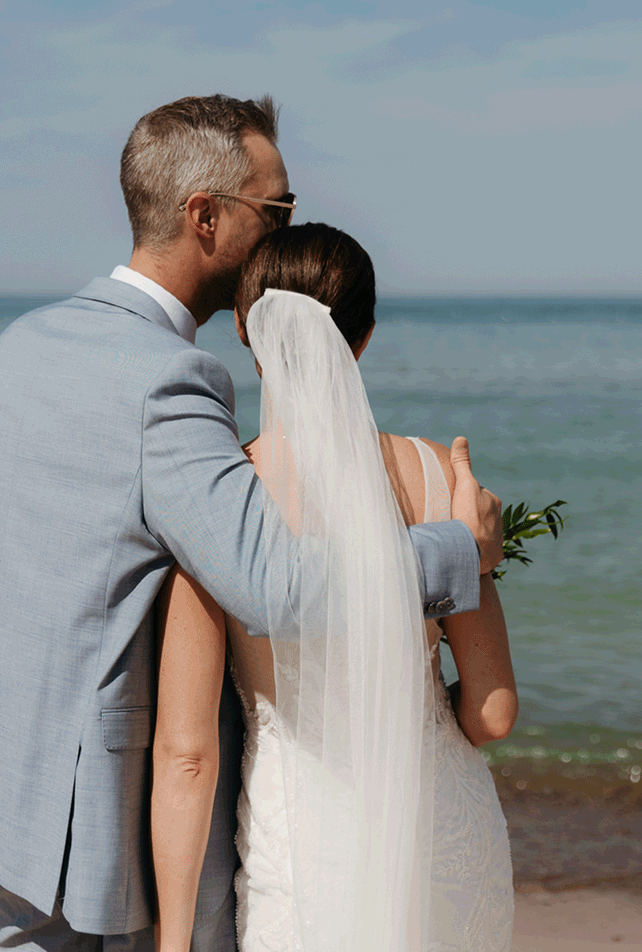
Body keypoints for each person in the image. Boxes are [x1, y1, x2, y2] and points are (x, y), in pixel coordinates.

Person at [0, 95, 505, 951]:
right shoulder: (169, 381)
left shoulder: (18, 346)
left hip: (5, 796)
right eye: (277, 212)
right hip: (103, 832)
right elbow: (276, 583)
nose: (284, 233)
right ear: (205, 215)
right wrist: (461, 549)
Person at [151, 224, 517, 952]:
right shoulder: (440, 474)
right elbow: (493, 711)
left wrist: (171, 940)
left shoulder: (224, 503)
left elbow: (187, 755)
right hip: (441, 834)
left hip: (306, 851)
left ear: (245, 332)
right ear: (365, 337)